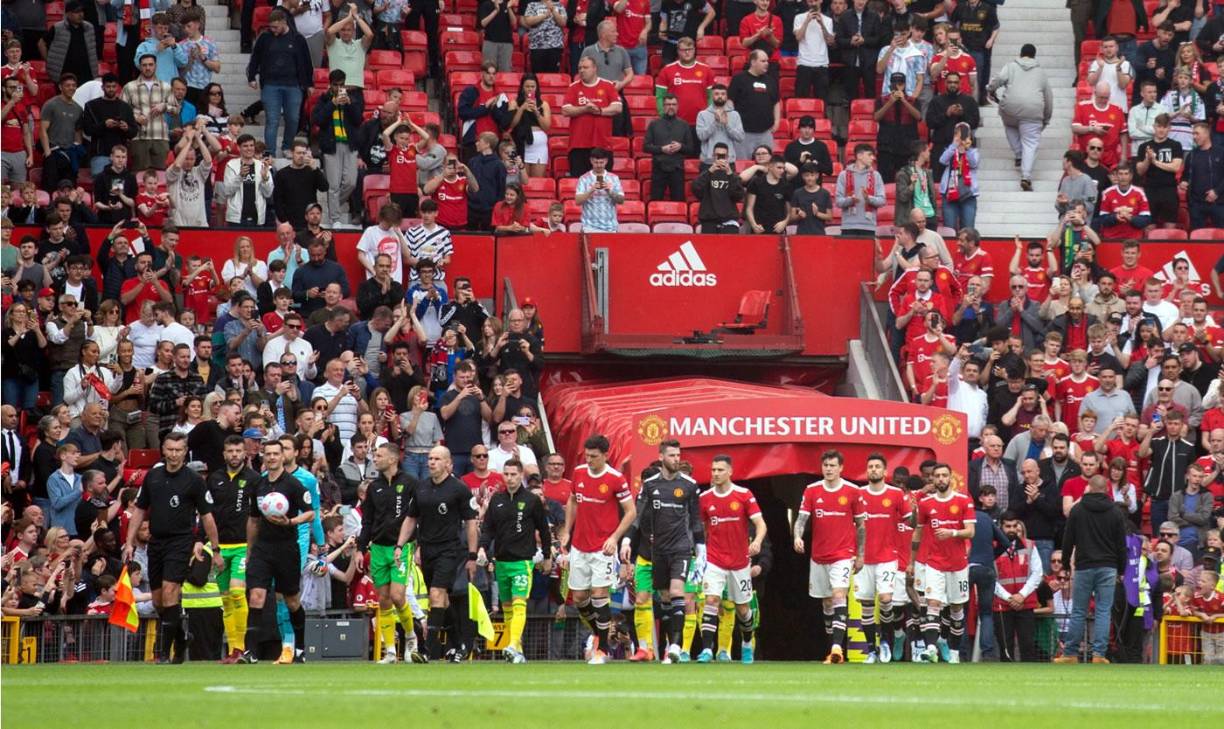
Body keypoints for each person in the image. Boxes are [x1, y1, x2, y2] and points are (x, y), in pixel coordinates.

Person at [121, 433, 222, 663]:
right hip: (156, 542)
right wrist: (129, 541)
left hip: (181, 542)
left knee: (170, 591)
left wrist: (215, 549)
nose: (174, 454)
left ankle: (164, 653)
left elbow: (207, 516)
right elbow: (139, 510)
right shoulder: (153, 477)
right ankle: (181, 637)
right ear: (164, 451)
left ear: (185, 452)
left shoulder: (194, 480)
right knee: (158, 601)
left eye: (179, 450)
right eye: (170, 449)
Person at [395, 445, 479, 662]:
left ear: (448, 463)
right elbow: (411, 518)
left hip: (450, 550)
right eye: (430, 458)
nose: (431, 462)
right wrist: (400, 545)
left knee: (435, 594)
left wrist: (471, 555)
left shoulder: (459, 489)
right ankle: (459, 644)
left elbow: (471, 523)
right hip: (427, 550)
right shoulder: (421, 488)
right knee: (442, 600)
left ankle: (427, 650)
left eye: (436, 459)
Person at [557, 434, 635, 664]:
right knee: (580, 598)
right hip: (580, 546)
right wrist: (568, 531)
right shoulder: (579, 472)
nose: (589, 459)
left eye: (594, 456)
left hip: (603, 548)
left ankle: (602, 649)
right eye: (587, 455)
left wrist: (615, 538)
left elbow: (631, 511)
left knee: (600, 594)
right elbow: (572, 501)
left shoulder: (615, 478)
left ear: (605, 455)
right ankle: (601, 633)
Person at [236, 438, 314, 664]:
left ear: (283, 457)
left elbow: (310, 513)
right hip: (262, 548)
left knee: (291, 600)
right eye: (267, 454)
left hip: (286, 548)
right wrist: (250, 551)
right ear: (263, 456)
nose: (271, 457)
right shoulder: (258, 485)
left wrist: (290, 522)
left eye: (275, 454)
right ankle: (250, 652)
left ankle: (300, 647)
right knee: (256, 596)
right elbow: (253, 520)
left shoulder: (292, 484)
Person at [793, 449, 864, 664]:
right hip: (818, 556)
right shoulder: (812, 490)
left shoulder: (853, 491)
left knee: (839, 595)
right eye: (826, 465)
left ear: (841, 468)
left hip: (843, 554)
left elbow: (861, 525)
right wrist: (797, 536)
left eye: (833, 465)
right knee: (826, 603)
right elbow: (801, 518)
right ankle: (832, 646)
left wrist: (860, 555)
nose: (829, 469)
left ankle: (836, 648)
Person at [478, 458, 552, 663]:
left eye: (513, 474)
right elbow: (488, 529)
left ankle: (511, 644)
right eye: (506, 474)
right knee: (508, 608)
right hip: (501, 561)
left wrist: (547, 556)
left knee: (520, 604)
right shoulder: (497, 500)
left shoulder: (531, 500)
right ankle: (517, 650)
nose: (509, 478)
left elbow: (544, 530)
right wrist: (482, 548)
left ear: (521, 475)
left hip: (522, 562)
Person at [360, 441, 423, 663]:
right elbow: (367, 520)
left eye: (379, 455)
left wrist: (418, 546)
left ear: (393, 459)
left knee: (398, 595)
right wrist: (361, 548)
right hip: (378, 548)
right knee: (384, 600)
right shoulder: (374, 487)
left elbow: (418, 516)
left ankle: (410, 636)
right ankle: (389, 650)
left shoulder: (410, 483)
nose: (375, 459)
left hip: (401, 547)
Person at [1053, 475, 1128, 663]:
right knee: (1103, 611)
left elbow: (1068, 539)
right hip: (1108, 566)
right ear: (1106, 489)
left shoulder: (1078, 510)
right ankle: (1099, 654)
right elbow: (1121, 544)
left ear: (1088, 488)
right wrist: (1122, 569)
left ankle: (1070, 653)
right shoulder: (1115, 511)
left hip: (1084, 566)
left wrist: (1065, 564)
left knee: (1078, 610)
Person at [913, 462, 976, 663]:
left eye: (944, 475)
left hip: (958, 564)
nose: (940, 479)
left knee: (957, 608)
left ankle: (955, 652)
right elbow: (918, 530)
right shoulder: (926, 504)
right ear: (932, 478)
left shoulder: (963, 500)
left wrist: (952, 532)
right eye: (937, 476)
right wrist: (912, 561)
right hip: (934, 563)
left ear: (950, 478)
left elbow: (971, 531)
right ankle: (931, 647)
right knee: (932, 603)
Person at [203, 435, 257, 663]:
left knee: (237, 593)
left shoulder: (254, 479)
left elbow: (257, 517)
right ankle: (233, 649)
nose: (234, 455)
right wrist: (211, 548)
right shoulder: (214, 479)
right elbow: (206, 514)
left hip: (242, 546)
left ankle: (242, 648)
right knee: (225, 599)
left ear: (244, 453)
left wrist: (252, 548)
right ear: (224, 454)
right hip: (220, 547)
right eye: (230, 451)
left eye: (238, 451)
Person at [852, 453, 908, 663]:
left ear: (885, 472)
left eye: (877, 467)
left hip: (887, 557)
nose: (873, 470)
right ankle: (870, 650)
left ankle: (885, 640)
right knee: (866, 603)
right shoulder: (857, 494)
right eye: (870, 467)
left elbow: (908, 522)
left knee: (885, 599)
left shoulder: (895, 494)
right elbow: (852, 526)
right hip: (863, 559)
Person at [246, 9, 313, 157]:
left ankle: (287, 146)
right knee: (272, 119)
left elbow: (306, 62)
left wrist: (309, 84)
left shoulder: (297, 39)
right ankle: (270, 151)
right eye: (271, 27)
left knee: (293, 118)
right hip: (271, 85)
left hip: (293, 85)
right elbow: (255, 58)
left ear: (284, 22)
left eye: (276, 27)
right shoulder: (265, 38)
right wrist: (251, 77)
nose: (273, 30)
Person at [987, 44, 1053, 192]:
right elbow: (1048, 97)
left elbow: (998, 79)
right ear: (1034, 56)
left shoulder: (1010, 66)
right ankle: (1026, 176)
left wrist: (990, 89)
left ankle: (1018, 153)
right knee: (1030, 143)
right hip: (1033, 110)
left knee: (1010, 125)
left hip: (1010, 107)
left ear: (1020, 54)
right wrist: (1046, 117)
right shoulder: (1041, 73)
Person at [992, 510, 1043, 662]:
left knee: (1028, 646)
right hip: (1002, 603)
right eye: (1008, 526)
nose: (1012, 530)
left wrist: (1021, 595)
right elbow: (990, 577)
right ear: (1001, 527)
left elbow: (1037, 572)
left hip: (1025, 603)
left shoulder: (1029, 545)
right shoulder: (992, 546)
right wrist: (1009, 597)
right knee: (1005, 649)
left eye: (1015, 526)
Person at [562, 55, 622, 178]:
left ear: (595, 68)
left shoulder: (608, 85)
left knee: (603, 184)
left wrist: (599, 111)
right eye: (579, 68)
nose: (582, 70)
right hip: (578, 145)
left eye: (585, 67)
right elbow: (565, 110)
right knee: (579, 184)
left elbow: (617, 107)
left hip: (602, 144)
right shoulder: (573, 87)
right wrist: (585, 109)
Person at [727, 50, 780, 160]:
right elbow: (730, 101)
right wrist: (732, 123)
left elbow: (776, 102)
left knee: (767, 166)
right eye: (763, 61)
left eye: (767, 61)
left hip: (765, 132)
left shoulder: (771, 81)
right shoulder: (739, 78)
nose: (767, 63)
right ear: (753, 62)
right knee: (743, 165)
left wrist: (777, 122)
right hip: (744, 133)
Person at [644, 94, 696, 203]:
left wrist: (681, 146)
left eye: (673, 104)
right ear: (663, 106)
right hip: (658, 169)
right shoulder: (654, 124)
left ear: (677, 106)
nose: (671, 107)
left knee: (679, 203)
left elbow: (691, 149)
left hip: (677, 170)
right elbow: (645, 147)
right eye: (668, 104)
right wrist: (662, 149)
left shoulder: (684, 125)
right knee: (656, 202)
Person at [1071, 82, 1129, 171]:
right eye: (1100, 97)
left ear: (1110, 95)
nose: (1103, 100)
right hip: (1086, 156)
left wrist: (1123, 156)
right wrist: (1092, 129)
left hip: (1109, 157)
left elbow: (1123, 133)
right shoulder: (1083, 106)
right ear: (1095, 93)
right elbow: (1075, 128)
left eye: (1106, 98)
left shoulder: (1117, 109)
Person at [835, 144, 886, 236]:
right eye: (869, 155)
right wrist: (851, 200)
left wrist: (868, 198)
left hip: (868, 227)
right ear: (859, 156)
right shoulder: (843, 175)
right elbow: (838, 201)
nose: (873, 158)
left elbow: (882, 201)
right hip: (848, 226)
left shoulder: (876, 175)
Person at [1181, 122, 1224, 230]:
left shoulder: (1221, 152)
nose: (1194, 137)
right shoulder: (1191, 155)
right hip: (1196, 204)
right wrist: (1183, 182)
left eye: (1197, 134)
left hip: (1218, 202)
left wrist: (1217, 191)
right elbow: (1185, 176)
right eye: (1193, 134)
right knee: (1197, 237)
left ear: (1207, 133)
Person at [574, 147, 624, 233]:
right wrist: (591, 190)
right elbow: (578, 201)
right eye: (596, 162)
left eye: (601, 162)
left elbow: (621, 200)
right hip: (589, 227)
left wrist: (609, 191)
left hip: (610, 227)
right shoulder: (584, 178)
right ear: (591, 161)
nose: (599, 165)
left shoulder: (614, 178)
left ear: (606, 161)